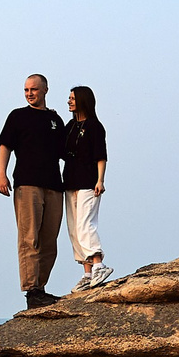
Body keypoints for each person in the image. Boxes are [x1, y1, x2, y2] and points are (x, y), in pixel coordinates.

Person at [0, 74, 67, 307]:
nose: (29, 93)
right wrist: (2, 174)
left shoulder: (55, 119)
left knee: (49, 241)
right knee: (29, 238)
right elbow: (5, 147)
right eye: (26, 90)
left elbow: (67, 152)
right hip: (27, 184)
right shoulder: (18, 116)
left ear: (45, 90)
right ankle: (31, 290)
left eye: (34, 89)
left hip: (54, 185)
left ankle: (40, 288)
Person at [61, 85, 109, 287]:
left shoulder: (95, 126)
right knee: (74, 227)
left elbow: (101, 156)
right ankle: (87, 273)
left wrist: (100, 180)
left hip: (89, 182)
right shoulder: (70, 127)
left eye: (72, 98)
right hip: (70, 181)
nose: (69, 101)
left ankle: (99, 264)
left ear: (83, 100)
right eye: (69, 98)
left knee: (85, 224)